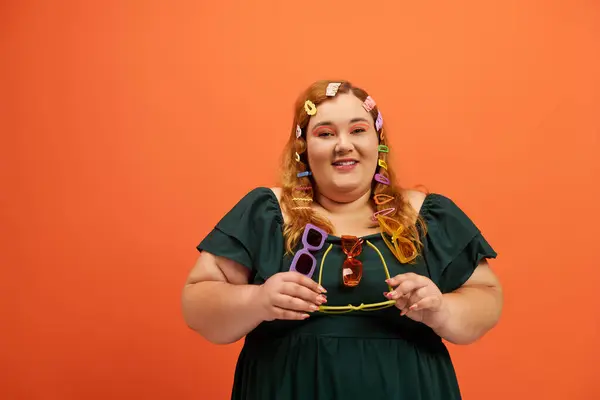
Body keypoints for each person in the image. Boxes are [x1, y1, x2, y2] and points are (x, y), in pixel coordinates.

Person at [181, 80, 503, 400]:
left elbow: (487, 297)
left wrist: (441, 309)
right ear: (303, 148)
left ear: (379, 142)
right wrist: (258, 300)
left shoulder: (426, 214)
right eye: (325, 133)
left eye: (358, 130)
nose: (343, 145)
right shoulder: (266, 213)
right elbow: (197, 303)